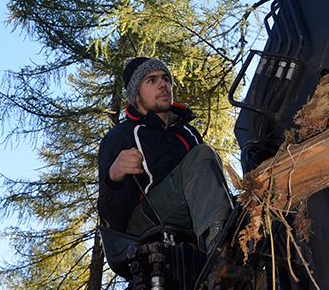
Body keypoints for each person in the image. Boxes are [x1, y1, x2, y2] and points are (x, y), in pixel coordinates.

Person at [97, 56, 233, 251]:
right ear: (136, 95)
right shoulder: (120, 136)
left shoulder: (188, 133)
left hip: (189, 218)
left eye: (166, 78)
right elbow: (112, 221)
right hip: (143, 227)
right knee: (203, 155)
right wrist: (114, 177)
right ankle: (220, 248)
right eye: (151, 80)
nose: (163, 84)